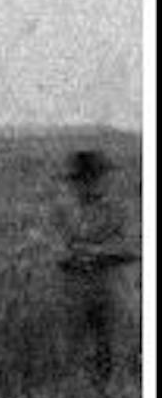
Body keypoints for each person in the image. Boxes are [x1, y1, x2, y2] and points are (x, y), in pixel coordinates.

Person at [56, 148, 135, 381]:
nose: (88, 184)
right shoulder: (66, 210)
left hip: (112, 288)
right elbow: (56, 246)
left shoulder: (121, 209)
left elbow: (133, 246)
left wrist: (96, 251)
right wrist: (69, 255)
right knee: (75, 354)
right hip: (77, 290)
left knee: (113, 352)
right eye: (82, 180)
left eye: (95, 177)